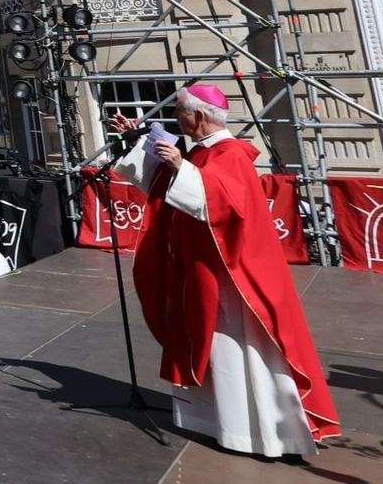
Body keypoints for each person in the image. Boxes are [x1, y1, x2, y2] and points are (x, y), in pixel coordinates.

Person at [111, 87, 340, 457]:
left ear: (198, 116)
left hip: (232, 277)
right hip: (204, 269)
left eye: (180, 112)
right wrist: (136, 140)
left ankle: (256, 432)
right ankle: (217, 422)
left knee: (234, 351)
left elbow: (219, 203)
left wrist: (180, 167)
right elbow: (168, 187)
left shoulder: (230, 152)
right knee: (211, 347)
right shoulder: (204, 151)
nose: (176, 119)